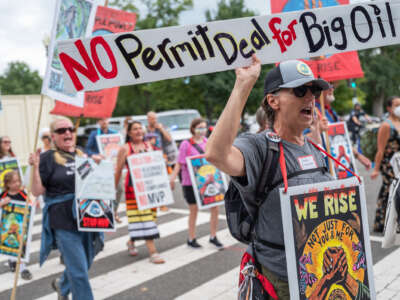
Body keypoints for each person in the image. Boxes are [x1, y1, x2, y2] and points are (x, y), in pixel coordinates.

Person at [205, 56, 333, 299]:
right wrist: (243, 85)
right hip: (282, 281)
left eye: (314, 90)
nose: (311, 98)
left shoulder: (317, 151)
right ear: (273, 101)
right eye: (300, 90)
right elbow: (216, 154)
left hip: (322, 276)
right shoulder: (260, 147)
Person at [29, 116, 103, 300]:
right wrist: (35, 168)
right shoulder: (46, 159)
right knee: (79, 272)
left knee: (84, 264)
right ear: (53, 137)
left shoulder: (81, 153)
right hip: (62, 219)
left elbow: (93, 184)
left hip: (87, 215)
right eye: (62, 131)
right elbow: (37, 191)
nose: (67, 133)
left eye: (70, 129)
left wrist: (99, 166)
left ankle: (62, 285)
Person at [114, 121, 165, 264]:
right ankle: (153, 252)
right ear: (129, 133)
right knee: (144, 218)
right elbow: (118, 171)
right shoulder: (125, 148)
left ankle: (131, 241)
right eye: (135, 129)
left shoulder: (150, 146)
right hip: (134, 190)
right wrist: (112, 191)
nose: (138, 131)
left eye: (140, 129)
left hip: (151, 189)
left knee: (149, 219)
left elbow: (158, 166)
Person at [169, 118, 223, 249]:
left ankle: (213, 236)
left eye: (204, 127)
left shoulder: (207, 142)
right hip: (190, 183)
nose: (202, 130)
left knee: (215, 208)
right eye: (199, 127)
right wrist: (172, 178)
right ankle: (191, 238)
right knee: (194, 210)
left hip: (208, 181)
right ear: (193, 129)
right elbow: (179, 163)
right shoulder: (185, 144)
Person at [371, 96, 400, 233]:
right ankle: (381, 222)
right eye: (396, 105)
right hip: (389, 165)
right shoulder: (386, 125)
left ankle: (393, 221)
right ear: (389, 108)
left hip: (399, 164)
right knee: (389, 191)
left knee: (394, 191)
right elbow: (380, 150)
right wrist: (376, 169)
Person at [0, 171, 33, 280]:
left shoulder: (22, 194)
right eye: (14, 182)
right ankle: (12, 260)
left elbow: (30, 206)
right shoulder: (3, 195)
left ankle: (23, 268)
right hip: (7, 226)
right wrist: (3, 202)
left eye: (18, 181)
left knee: (21, 246)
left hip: (20, 225)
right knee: (10, 244)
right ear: (8, 184)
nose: (17, 184)